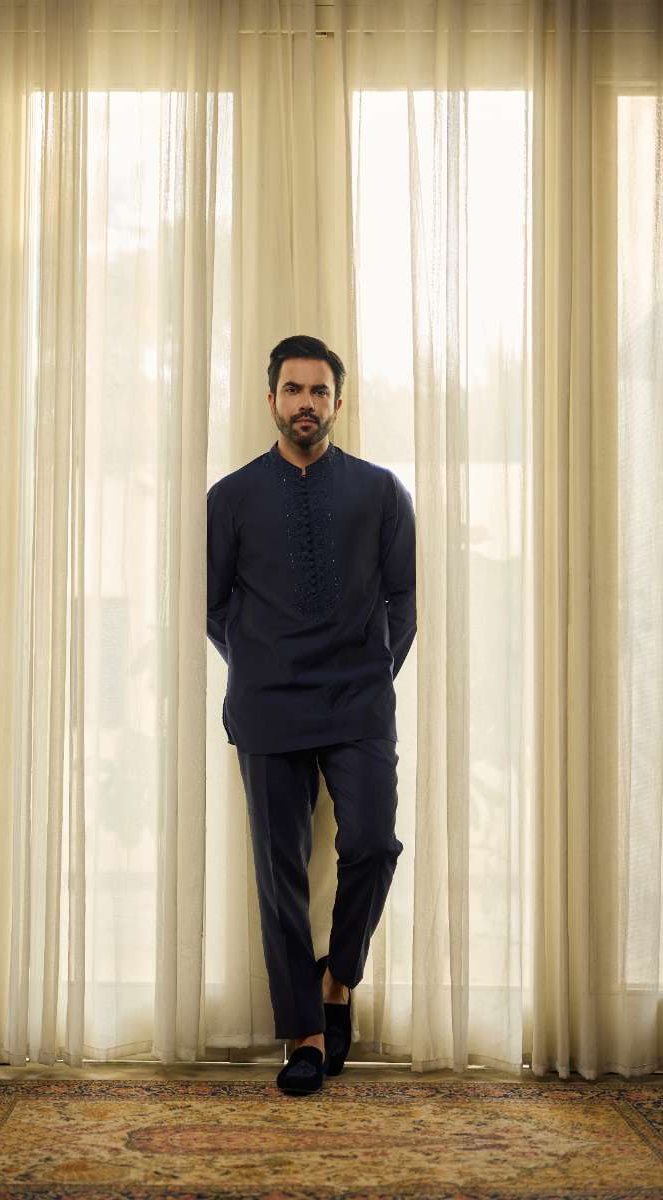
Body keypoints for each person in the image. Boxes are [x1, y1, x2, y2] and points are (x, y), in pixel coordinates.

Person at [206, 333, 417, 1095]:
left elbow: (403, 600)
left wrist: (373, 674)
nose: (306, 403)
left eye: (319, 390)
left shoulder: (380, 490)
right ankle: (304, 1034)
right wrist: (260, 664)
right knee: (281, 871)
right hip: (267, 708)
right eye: (293, 389)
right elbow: (213, 604)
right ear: (271, 400)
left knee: (373, 843)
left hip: (359, 700)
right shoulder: (230, 497)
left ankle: (338, 981)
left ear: (338, 401)